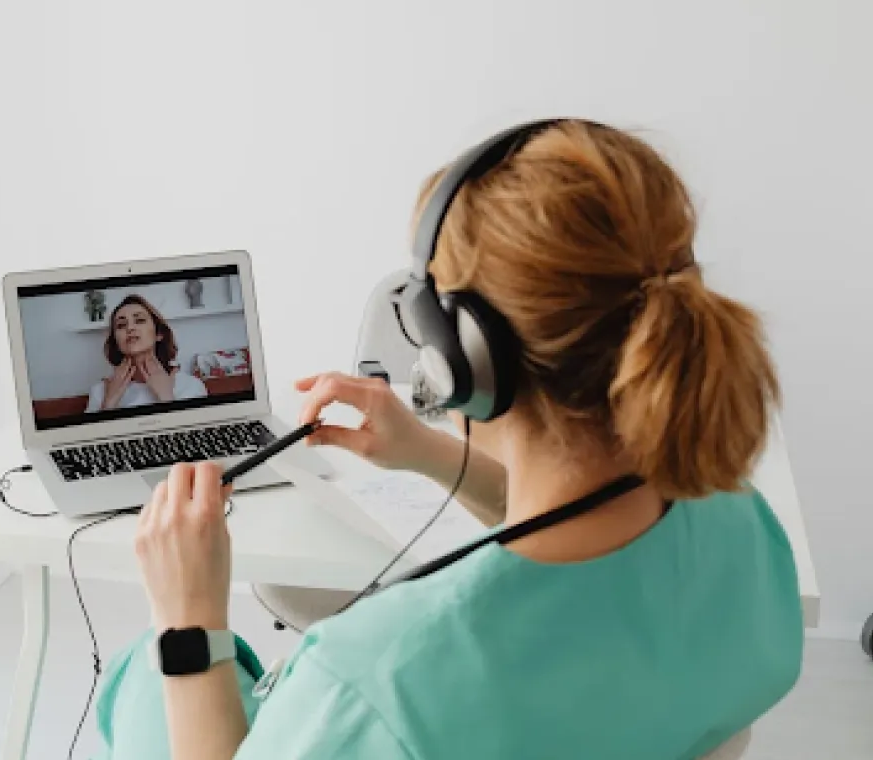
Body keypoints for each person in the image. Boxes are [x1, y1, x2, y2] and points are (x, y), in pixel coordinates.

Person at [96, 121, 803, 759]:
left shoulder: (376, 683)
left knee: (144, 675)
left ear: (467, 359)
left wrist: (188, 618)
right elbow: (579, 540)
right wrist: (433, 453)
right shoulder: (743, 530)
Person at [86, 294, 207, 412]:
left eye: (139, 320)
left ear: (159, 334)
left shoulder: (191, 386)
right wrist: (108, 403)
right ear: (116, 342)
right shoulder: (100, 391)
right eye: (121, 325)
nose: (130, 328)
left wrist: (167, 399)